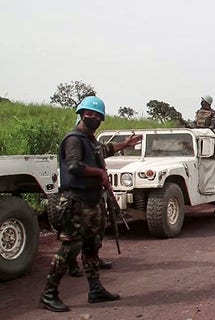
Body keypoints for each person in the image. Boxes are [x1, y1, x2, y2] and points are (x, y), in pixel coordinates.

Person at [40, 96, 142, 312]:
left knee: (91, 246)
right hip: (75, 202)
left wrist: (126, 144)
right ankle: (49, 294)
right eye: (90, 114)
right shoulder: (74, 139)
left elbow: (103, 150)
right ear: (81, 114)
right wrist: (99, 173)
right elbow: (74, 166)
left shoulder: (90, 140)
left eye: (97, 116)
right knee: (70, 247)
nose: (93, 118)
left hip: (91, 201)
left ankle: (95, 290)